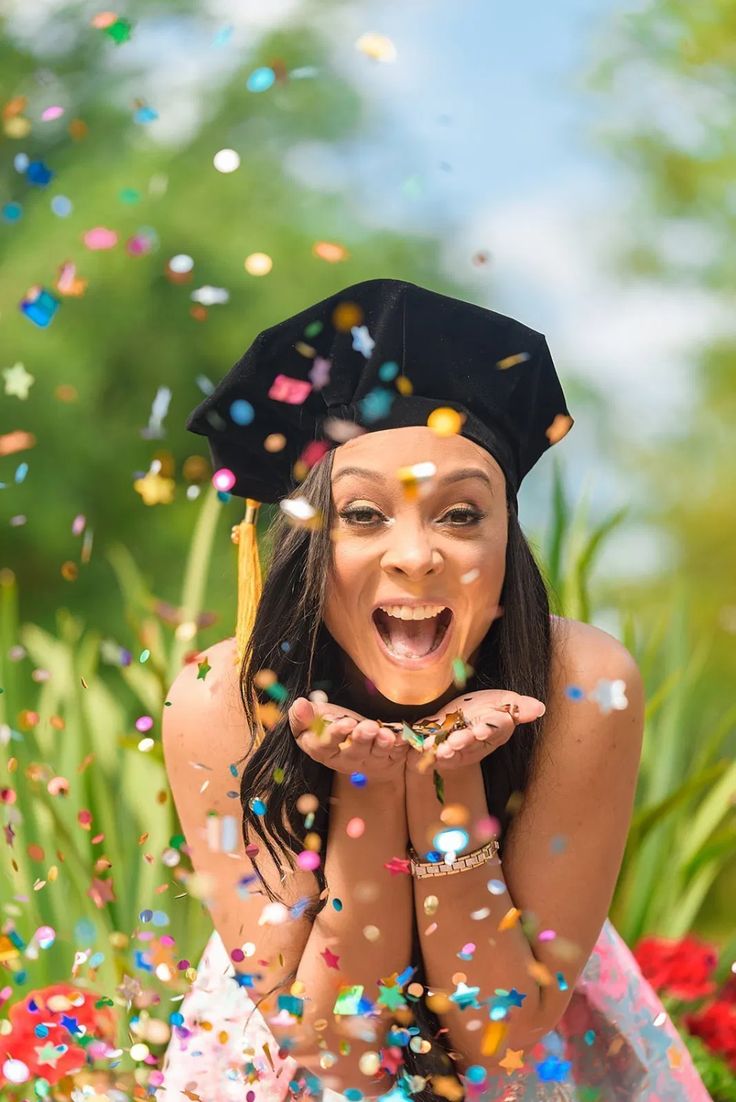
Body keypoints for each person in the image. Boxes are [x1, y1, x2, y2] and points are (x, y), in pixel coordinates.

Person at [156, 280, 711, 1102]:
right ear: (307, 544)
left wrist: (446, 792)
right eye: (363, 514)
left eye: (458, 514)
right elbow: (338, 1056)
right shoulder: (219, 698)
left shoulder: (584, 687)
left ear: (506, 540)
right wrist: (369, 789)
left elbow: (497, 1041)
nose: (416, 556)